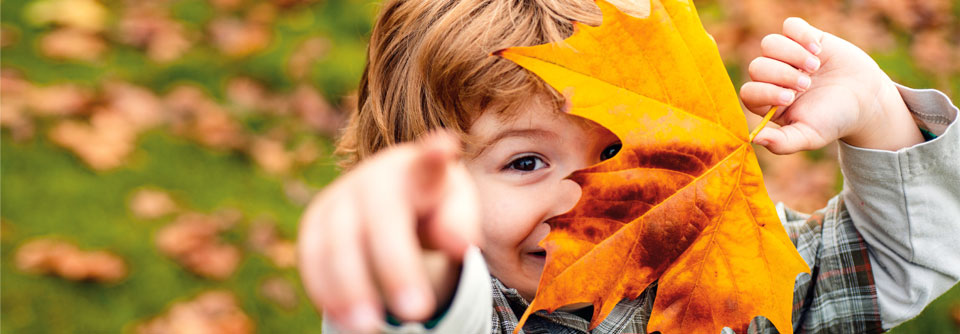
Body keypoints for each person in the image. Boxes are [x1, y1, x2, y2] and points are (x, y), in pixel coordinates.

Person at [296, 0, 960, 333]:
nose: (580, 198)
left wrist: (878, 111)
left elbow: (898, 257)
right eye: (525, 161)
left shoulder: (728, 276)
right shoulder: (477, 313)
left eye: (617, 151)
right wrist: (414, 256)